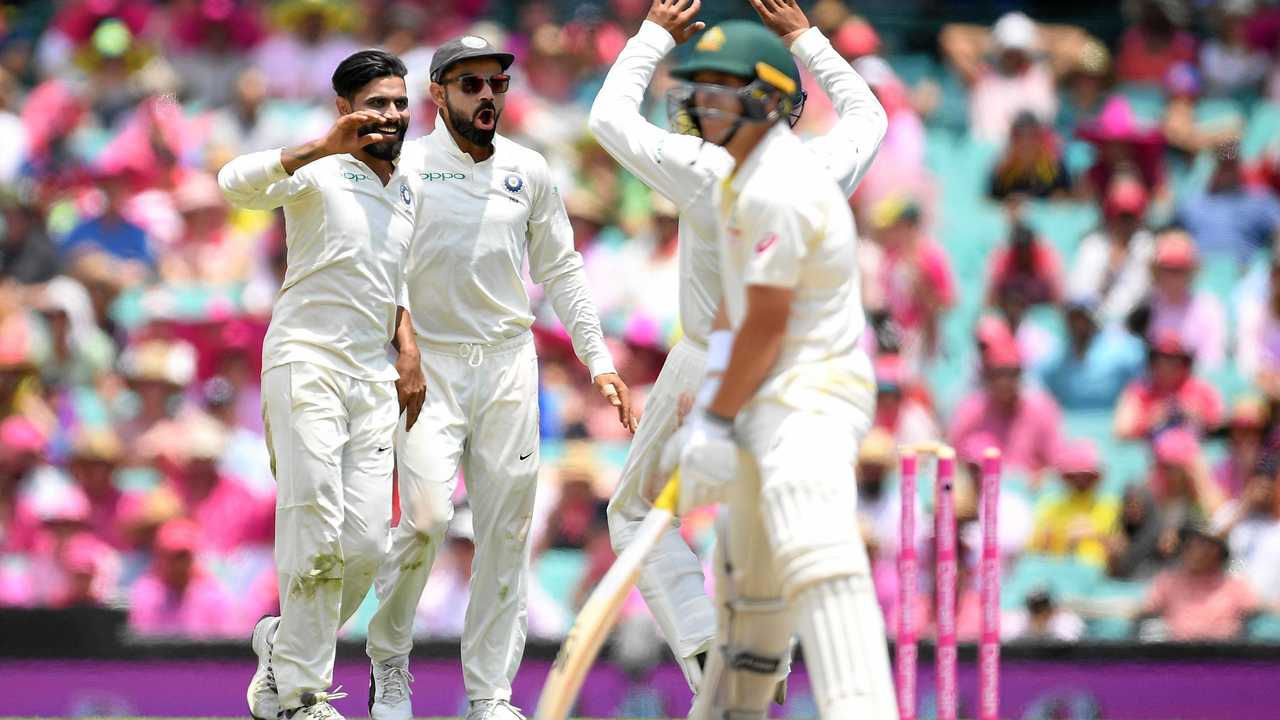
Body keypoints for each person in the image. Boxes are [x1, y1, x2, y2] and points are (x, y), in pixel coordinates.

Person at [588, 0, 887, 705]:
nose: (700, 107)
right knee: (754, 536)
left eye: (719, 93)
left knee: (654, 514)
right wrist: (806, 39)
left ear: (764, 103)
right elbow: (868, 117)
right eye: (701, 91)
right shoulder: (820, 164)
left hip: (756, 371)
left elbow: (606, 118)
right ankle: (748, 655)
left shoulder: (706, 170)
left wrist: (653, 33)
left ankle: (709, 641)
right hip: (766, 367)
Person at [365, 35, 630, 720]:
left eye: (496, 84)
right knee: (424, 522)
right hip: (431, 366)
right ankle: (389, 664)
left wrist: (598, 359)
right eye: (471, 84)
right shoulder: (407, 166)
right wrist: (404, 349)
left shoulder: (528, 169)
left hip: (509, 364)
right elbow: (378, 268)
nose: (487, 96)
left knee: (505, 534)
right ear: (438, 93)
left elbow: (562, 268)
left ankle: (490, 694)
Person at [217, 49, 425, 720]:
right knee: (313, 523)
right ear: (344, 108)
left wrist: (409, 350)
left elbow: (392, 280)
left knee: (365, 543)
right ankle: (302, 696)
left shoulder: (407, 188)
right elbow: (233, 184)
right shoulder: (318, 168)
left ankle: (282, 647)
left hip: (371, 376)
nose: (393, 114)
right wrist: (315, 147)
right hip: (304, 361)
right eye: (378, 102)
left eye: (400, 101)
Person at [1137, 523, 1261, 641]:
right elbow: (1144, 608)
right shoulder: (1168, 581)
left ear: (1218, 552)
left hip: (1224, 655)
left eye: (1203, 546)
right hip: (1179, 654)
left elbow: (1258, 607)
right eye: (1190, 545)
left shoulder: (1234, 585)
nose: (1195, 551)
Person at [1066, 174, 1156, 325]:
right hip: (1094, 328)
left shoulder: (1148, 247)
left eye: (1131, 217)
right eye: (1121, 216)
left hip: (1133, 329)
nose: (1126, 224)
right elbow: (1078, 296)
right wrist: (1110, 267)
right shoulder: (1093, 246)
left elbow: (1146, 297)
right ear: (1110, 216)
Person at [1039, 297, 1146, 412]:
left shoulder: (1125, 347)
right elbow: (1038, 384)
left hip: (1113, 419)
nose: (1078, 324)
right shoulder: (1056, 352)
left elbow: (1141, 386)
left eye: (1083, 318)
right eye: (1074, 318)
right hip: (1070, 421)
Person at [1115, 331, 1225, 441]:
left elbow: (1221, 427)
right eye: (1162, 360)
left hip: (1195, 452)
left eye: (1174, 361)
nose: (1167, 367)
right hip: (1151, 452)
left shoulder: (1203, 390)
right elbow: (1122, 431)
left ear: (1186, 363)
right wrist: (1152, 419)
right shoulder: (1139, 390)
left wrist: (1194, 416)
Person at [1029, 440, 1120, 569]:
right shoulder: (1049, 507)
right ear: (1065, 477)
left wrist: (1096, 536)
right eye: (1074, 476)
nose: (1080, 481)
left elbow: (1121, 554)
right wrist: (1050, 540)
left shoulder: (1111, 506)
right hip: (1058, 574)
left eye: (1086, 476)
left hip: (1097, 578)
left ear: (1097, 477)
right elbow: (1036, 554)